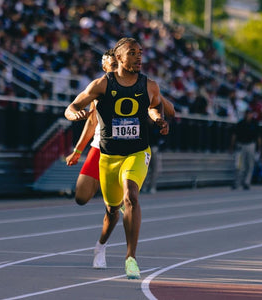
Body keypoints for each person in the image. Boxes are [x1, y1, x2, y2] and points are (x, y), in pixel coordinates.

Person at [65, 37, 169, 279]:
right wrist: (73, 114)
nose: (139, 57)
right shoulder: (100, 85)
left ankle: (130, 258)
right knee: (112, 210)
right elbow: (72, 106)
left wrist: (158, 119)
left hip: (137, 151)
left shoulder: (149, 85)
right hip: (108, 155)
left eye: (140, 52)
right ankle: (101, 245)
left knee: (131, 195)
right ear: (119, 58)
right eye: (132, 53)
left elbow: (155, 106)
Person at [65, 49, 117, 207]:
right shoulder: (98, 87)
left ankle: (117, 198)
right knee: (81, 197)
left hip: (127, 148)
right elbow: (90, 120)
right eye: (113, 65)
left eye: (119, 65)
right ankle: (104, 184)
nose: (117, 70)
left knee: (123, 201)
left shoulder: (137, 85)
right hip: (101, 146)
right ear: (105, 67)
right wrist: (78, 150)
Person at [230, 108, 262, 190]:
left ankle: (246, 182)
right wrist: (232, 146)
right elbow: (234, 135)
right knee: (239, 166)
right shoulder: (240, 123)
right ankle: (237, 182)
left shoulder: (254, 124)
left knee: (250, 165)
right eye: (247, 114)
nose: (249, 115)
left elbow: (258, 136)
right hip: (241, 145)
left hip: (250, 145)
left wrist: (259, 147)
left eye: (250, 114)